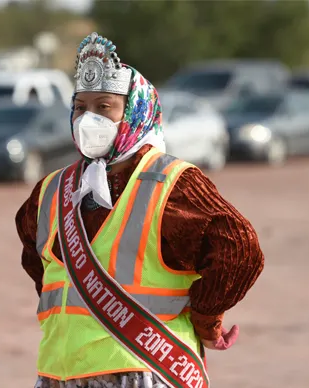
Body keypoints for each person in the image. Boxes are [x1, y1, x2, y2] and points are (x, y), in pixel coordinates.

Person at [15, 32, 265, 388]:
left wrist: (207, 316)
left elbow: (240, 250)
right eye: (80, 107)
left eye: (104, 107)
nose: (88, 119)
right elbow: (40, 267)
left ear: (135, 112)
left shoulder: (173, 182)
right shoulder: (52, 189)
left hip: (142, 367)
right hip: (60, 371)